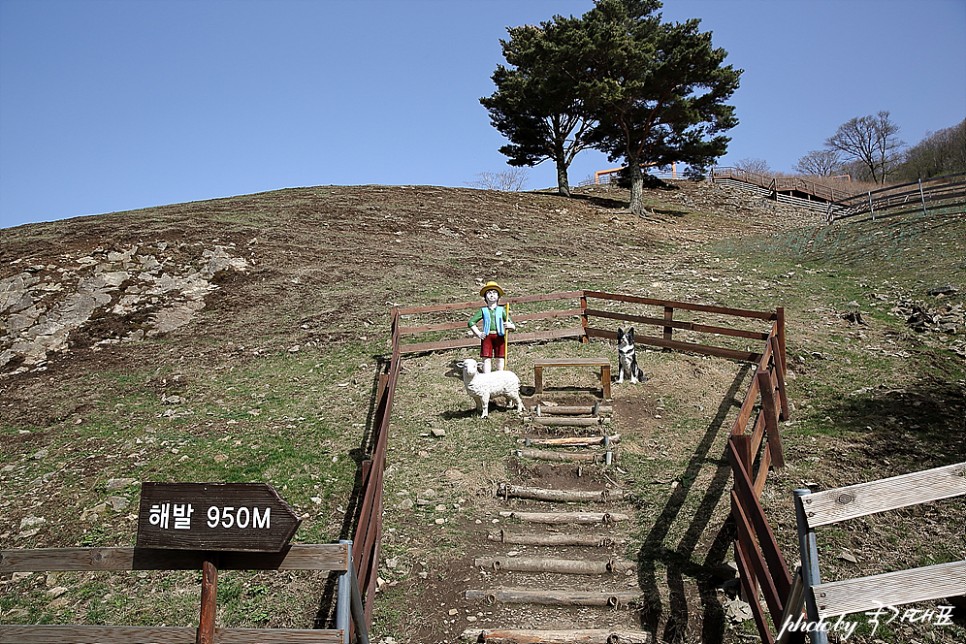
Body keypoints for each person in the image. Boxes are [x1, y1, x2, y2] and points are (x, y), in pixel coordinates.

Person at [467, 281, 515, 373]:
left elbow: (511, 324)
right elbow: (471, 322)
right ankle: (487, 377)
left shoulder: (502, 310)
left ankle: (500, 375)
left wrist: (510, 326)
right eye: (489, 293)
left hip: (499, 336)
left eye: (494, 293)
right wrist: (478, 333)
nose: (492, 295)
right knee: (486, 357)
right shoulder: (483, 311)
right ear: (485, 296)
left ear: (498, 296)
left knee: (500, 357)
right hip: (487, 336)